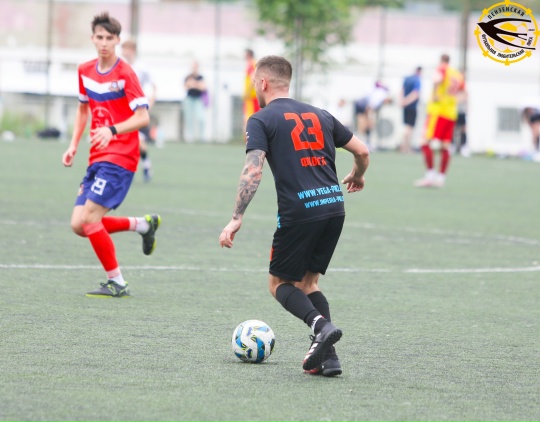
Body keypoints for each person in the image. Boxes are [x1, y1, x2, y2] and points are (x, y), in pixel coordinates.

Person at [219, 56, 370, 377]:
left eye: (254, 83)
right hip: (334, 206)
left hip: (300, 211)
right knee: (309, 283)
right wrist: (358, 174)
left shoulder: (260, 119)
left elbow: (253, 170)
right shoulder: (321, 115)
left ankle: (320, 326)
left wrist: (236, 216)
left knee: (279, 284)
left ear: (263, 83)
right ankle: (329, 359)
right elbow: (362, 151)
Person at [62, 12, 161, 298]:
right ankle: (142, 225)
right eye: (99, 37)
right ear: (92, 38)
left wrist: (112, 130)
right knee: (78, 225)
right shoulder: (84, 70)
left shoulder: (125, 73)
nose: (104, 42)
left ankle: (117, 282)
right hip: (97, 155)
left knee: (90, 218)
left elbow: (143, 117)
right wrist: (73, 144)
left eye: (109, 38)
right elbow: (83, 109)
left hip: (121, 156)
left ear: (117, 40)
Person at [414, 54, 464, 188]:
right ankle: (441, 178)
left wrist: (436, 94)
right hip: (451, 114)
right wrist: (453, 101)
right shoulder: (457, 74)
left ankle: (430, 177)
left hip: (438, 112)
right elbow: (464, 93)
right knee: (445, 146)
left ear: (441, 61)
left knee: (424, 142)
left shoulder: (442, 69)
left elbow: (437, 79)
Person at [121, 39, 157, 182]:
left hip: (137, 110)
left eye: (125, 49)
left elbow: (153, 86)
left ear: (132, 50)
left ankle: (146, 166)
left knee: (139, 141)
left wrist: (150, 103)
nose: (123, 52)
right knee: (126, 140)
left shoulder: (141, 67)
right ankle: (138, 167)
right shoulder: (121, 66)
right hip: (124, 110)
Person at [354, 81, 391, 148]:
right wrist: (368, 118)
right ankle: (361, 143)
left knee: (367, 125)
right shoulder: (381, 96)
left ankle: (365, 142)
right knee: (364, 126)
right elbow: (369, 107)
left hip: (364, 106)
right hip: (362, 105)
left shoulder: (379, 94)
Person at [183, 61, 207, 143]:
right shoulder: (188, 77)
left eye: (195, 67)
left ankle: (202, 137)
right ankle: (190, 137)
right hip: (189, 99)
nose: (194, 69)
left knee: (201, 118)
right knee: (189, 119)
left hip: (198, 100)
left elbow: (203, 87)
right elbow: (186, 87)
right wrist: (196, 85)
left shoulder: (201, 77)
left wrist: (193, 84)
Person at [400, 66, 422, 154]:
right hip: (412, 107)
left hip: (405, 106)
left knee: (406, 126)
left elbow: (402, 90)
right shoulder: (417, 80)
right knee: (409, 128)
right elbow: (415, 94)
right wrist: (406, 101)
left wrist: (402, 101)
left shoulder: (407, 79)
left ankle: (404, 146)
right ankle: (406, 147)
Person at [243, 49, 260, 135]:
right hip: (252, 97)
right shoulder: (253, 64)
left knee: (250, 119)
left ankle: (250, 138)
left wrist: (247, 93)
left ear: (248, 55)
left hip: (252, 97)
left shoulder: (252, 64)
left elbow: (252, 79)